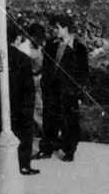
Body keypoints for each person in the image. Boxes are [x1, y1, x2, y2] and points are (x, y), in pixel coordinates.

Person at [38, 16, 89, 162]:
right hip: (51, 90)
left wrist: (77, 89)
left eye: (57, 27)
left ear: (66, 28)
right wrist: (44, 84)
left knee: (70, 121)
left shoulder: (78, 46)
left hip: (69, 91)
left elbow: (84, 71)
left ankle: (69, 150)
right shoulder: (51, 44)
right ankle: (47, 149)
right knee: (49, 119)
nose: (54, 30)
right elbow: (46, 67)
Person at [6, 31, 41, 175]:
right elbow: (28, 82)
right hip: (23, 99)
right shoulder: (22, 56)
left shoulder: (0, 53)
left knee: (13, 130)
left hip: (8, 98)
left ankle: (11, 162)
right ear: (18, 38)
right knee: (26, 130)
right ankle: (23, 164)